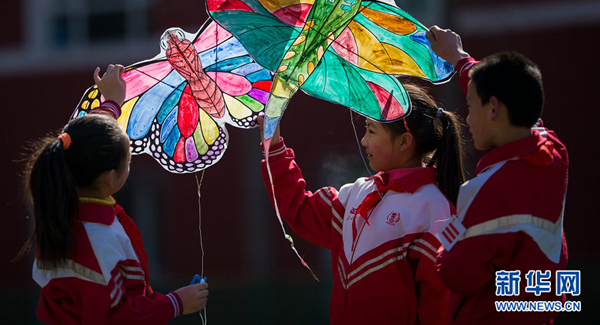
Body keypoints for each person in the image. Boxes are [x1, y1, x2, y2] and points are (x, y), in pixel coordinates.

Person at [257, 82, 465, 325]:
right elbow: (299, 209)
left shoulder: (434, 209)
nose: (364, 141)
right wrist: (275, 146)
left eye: (372, 130)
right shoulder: (356, 193)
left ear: (404, 141)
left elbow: (440, 304)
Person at [21, 64, 208, 324]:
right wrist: (176, 303)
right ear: (111, 177)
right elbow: (117, 317)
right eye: (128, 162)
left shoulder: (62, 216)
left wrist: (112, 102)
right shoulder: (99, 241)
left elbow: (86, 143)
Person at [428, 26, 569, 325]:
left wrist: (442, 248)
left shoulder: (487, 190)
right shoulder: (554, 154)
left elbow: (456, 274)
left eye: (469, 106)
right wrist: (460, 59)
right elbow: (516, 103)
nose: (466, 118)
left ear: (492, 108)